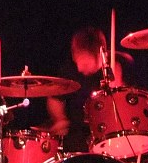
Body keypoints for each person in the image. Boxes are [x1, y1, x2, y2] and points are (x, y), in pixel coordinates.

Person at [46, 25, 138, 153]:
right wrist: (60, 118)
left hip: (112, 134)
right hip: (77, 136)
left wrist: (117, 81)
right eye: (77, 61)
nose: (79, 69)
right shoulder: (68, 71)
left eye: (84, 63)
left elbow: (131, 102)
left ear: (99, 54)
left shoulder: (118, 64)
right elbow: (55, 99)